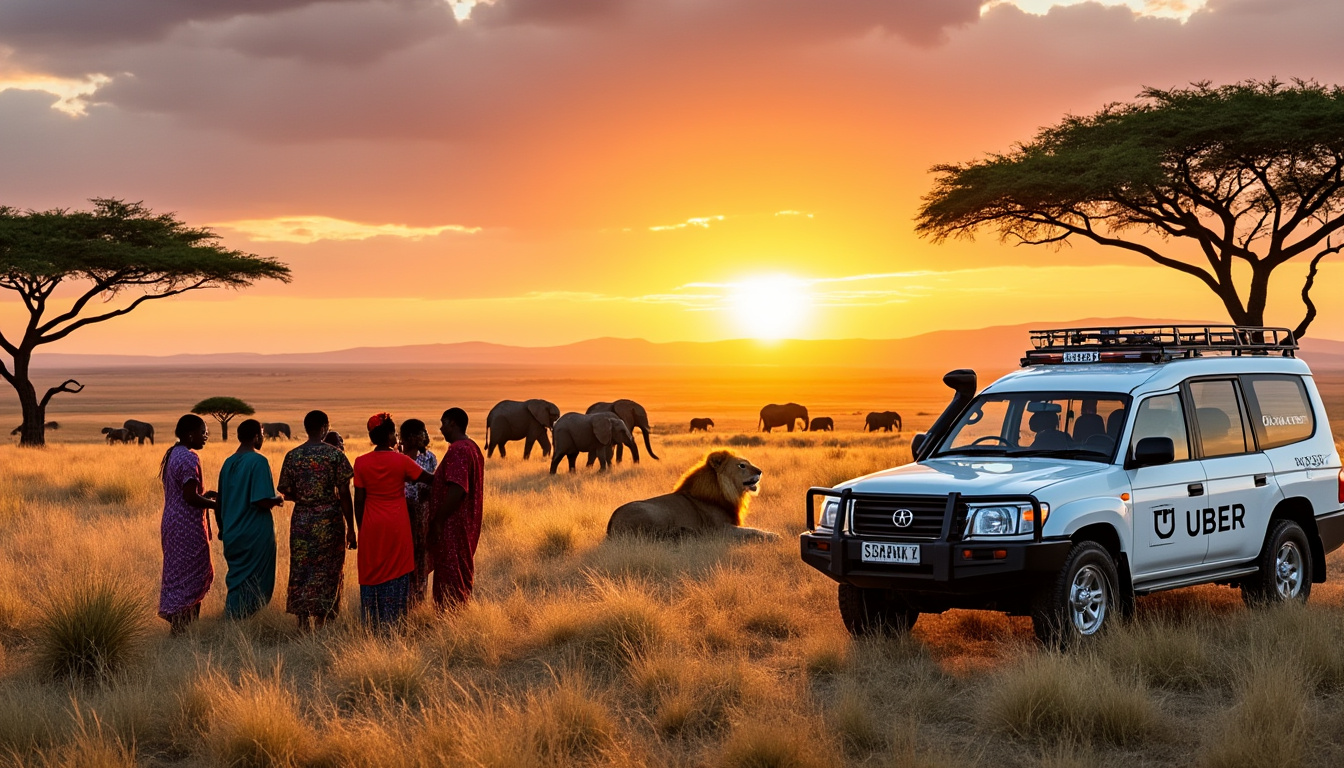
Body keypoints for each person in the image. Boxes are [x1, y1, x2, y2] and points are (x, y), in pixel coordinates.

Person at [278, 410, 357, 632]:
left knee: (302, 570)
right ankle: (323, 622)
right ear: (324, 427)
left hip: (302, 520)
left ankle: (303, 623)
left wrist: (306, 499)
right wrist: (351, 528)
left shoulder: (293, 456)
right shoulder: (335, 456)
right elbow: (344, 494)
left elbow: (286, 491)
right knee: (329, 570)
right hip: (330, 521)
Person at [352, 413, 433, 629]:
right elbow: (429, 479)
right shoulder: (402, 461)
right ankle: (394, 624)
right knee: (397, 572)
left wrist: (362, 528)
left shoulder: (361, 462)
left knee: (372, 572)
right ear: (389, 435)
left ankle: (372, 623)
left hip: (371, 525)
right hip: (397, 525)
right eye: (395, 433)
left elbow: (358, 501)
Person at [158, 414, 220, 635]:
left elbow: (190, 492)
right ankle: (185, 630)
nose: (206, 437)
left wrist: (207, 495)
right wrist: (216, 505)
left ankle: (180, 629)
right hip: (188, 526)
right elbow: (190, 497)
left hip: (172, 523)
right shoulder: (189, 458)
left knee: (179, 574)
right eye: (203, 432)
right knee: (195, 573)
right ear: (190, 434)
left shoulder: (174, 453)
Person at [217, 419, 284, 620]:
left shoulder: (228, 462)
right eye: (262, 434)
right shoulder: (258, 461)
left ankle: (232, 619)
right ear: (256, 436)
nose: (262, 437)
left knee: (236, 580)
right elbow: (261, 501)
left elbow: (219, 501)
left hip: (231, 532)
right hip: (254, 533)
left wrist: (223, 529)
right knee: (257, 581)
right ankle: (246, 620)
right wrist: (277, 500)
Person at [428, 407, 485, 610]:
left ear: (452, 423)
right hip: (464, 522)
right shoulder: (472, 447)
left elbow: (458, 488)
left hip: (453, 524)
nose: (441, 429)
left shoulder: (459, 449)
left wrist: (438, 521)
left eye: (443, 423)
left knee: (450, 572)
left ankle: (450, 618)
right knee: (458, 569)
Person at [399, 418, 437, 608]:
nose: (420, 437)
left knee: (421, 554)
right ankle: (402, 600)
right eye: (416, 433)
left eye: (422, 432)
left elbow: (433, 483)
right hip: (400, 512)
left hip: (422, 512)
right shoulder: (397, 457)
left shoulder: (430, 458)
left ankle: (418, 602)